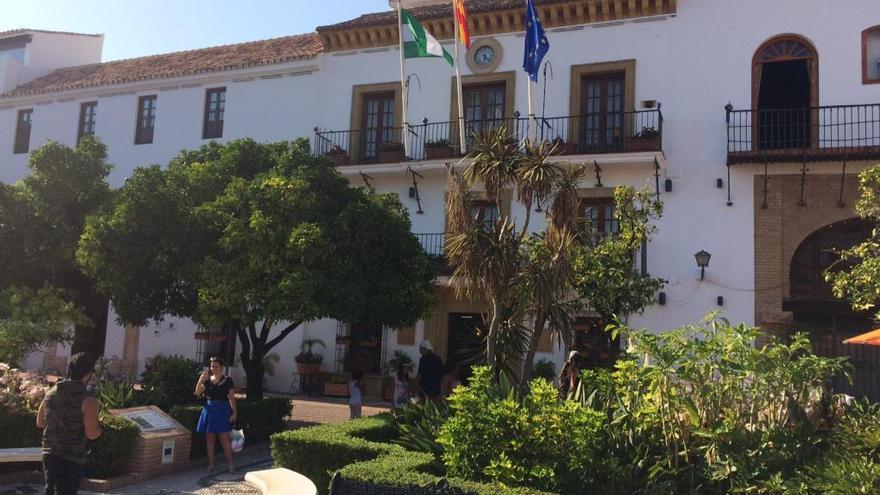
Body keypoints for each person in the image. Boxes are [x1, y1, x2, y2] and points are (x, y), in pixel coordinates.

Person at [36, 352, 103, 495]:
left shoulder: (51, 392)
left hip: (49, 454)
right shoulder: (88, 401)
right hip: (72, 459)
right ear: (89, 374)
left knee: (51, 491)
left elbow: (40, 422)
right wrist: (101, 426)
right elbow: (92, 434)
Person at [194, 357, 237, 474]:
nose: (214, 368)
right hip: (209, 410)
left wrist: (234, 412)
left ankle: (231, 465)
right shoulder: (207, 381)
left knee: (224, 439)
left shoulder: (228, 380)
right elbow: (197, 392)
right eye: (212, 366)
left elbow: (232, 398)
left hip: (222, 410)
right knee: (210, 439)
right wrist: (200, 380)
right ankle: (211, 465)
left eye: (216, 366)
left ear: (221, 367)